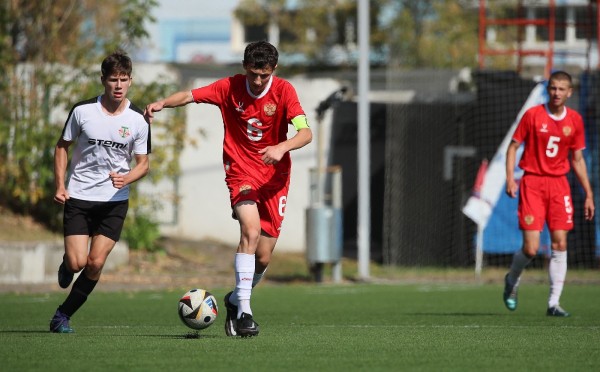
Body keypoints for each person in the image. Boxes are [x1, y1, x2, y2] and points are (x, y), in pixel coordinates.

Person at [144, 40, 312, 337]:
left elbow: (305, 132)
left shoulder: (285, 91)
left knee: (264, 255)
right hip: (240, 172)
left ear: (274, 69)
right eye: (252, 74)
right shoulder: (229, 87)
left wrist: (281, 147)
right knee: (250, 229)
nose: (258, 81)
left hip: (275, 179)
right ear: (244, 69)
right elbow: (190, 95)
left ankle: (234, 301)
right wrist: (162, 104)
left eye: (263, 75)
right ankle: (245, 312)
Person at [50, 51, 151, 333]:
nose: (118, 86)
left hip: (114, 202)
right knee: (77, 261)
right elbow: (62, 146)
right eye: (113, 80)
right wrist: (60, 185)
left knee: (94, 263)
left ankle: (62, 315)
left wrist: (127, 178)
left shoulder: (138, 120)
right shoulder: (82, 111)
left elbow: (143, 164)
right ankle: (67, 265)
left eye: (124, 80)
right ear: (103, 80)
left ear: (131, 81)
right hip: (80, 196)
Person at [503, 70, 594, 317]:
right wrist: (510, 178)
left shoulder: (574, 120)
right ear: (548, 89)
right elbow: (513, 147)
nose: (556, 93)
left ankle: (553, 303)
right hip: (532, 183)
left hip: (559, 186)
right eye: (553, 88)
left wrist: (588, 193)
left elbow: (577, 159)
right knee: (531, 249)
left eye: (561, 89)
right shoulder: (533, 115)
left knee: (560, 243)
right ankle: (512, 280)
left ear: (569, 93)